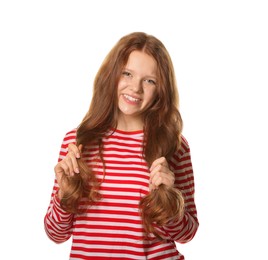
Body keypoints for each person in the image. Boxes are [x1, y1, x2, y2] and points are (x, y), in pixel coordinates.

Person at [44, 32, 199, 260]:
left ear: (160, 89)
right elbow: (56, 234)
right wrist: (65, 196)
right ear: (112, 75)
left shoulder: (174, 145)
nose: (135, 88)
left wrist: (168, 203)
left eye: (149, 80)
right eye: (127, 74)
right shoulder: (77, 142)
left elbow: (188, 233)